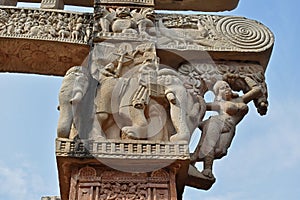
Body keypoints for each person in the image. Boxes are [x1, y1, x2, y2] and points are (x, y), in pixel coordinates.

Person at [191, 74, 262, 178]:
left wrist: (244, 77)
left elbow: (257, 90)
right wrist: (195, 97)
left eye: (227, 86)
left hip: (230, 126)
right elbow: (202, 105)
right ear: (218, 93)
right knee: (210, 142)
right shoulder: (219, 104)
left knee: (220, 151)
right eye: (222, 88)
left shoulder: (240, 100)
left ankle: (193, 158)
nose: (226, 89)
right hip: (216, 122)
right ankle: (207, 168)